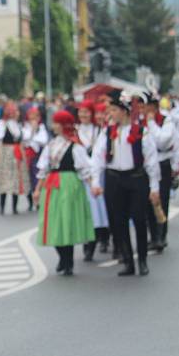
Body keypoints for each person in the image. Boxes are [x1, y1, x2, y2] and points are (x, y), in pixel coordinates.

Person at [91, 91, 160, 276]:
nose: (110, 114)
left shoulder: (140, 132)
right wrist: (96, 181)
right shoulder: (107, 133)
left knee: (138, 219)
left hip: (136, 178)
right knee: (118, 222)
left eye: (114, 110)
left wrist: (154, 187)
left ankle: (143, 260)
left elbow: (151, 161)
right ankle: (128, 261)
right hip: (114, 179)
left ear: (125, 111)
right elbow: (97, 157)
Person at [33, 110, 95, 276]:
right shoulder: (51, 145)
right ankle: (62, 256)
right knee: (53, 222)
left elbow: (84, 169)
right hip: (52, 186)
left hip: (69, 185)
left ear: (62, 125)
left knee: (67, 221)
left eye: (55, 123)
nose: (53, 126)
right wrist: (38, 189)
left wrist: (92, 186)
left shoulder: (75, 146)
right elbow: (43, 169)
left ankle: (68, 261)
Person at [142, 94, 179, 251]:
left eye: (147, 106)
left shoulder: (166, 121)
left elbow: (162, 141)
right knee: (146, 202)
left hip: (162, 163)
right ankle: (153, 235)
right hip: (145, 165)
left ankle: (161, 235)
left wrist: (151, 123)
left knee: (161, 200)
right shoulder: (139, 121)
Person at [77, 99, 109, 260]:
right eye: (81, 111)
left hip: (98, 174)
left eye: (86, 111)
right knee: (87, 210)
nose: (83, 114)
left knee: (100, 207)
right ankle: (89, 243)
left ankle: (104, 236)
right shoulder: (76, 131)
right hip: (82, 176)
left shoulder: (99, 131)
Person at [0, 101, 29, 215]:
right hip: (6, 154)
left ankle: (14, 207)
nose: (16, 113)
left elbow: (25, 138)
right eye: (13, 111)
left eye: (16, 111)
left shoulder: (18, 125)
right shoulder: (1, 125)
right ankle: (2, 207)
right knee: (5, 180)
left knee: (16, 181)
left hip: (17, 154)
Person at [22, 106, 49, 212]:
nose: (34, 118)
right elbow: (25, 139)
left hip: (37, 156)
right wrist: (32, 131)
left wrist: (34, 133)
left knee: (37, 178)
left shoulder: (41, 127)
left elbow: (43, 140)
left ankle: (38, 200)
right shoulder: (25, 127)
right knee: (27, 179)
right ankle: (30, 201)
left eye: (36, 116)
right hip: (27, 156)